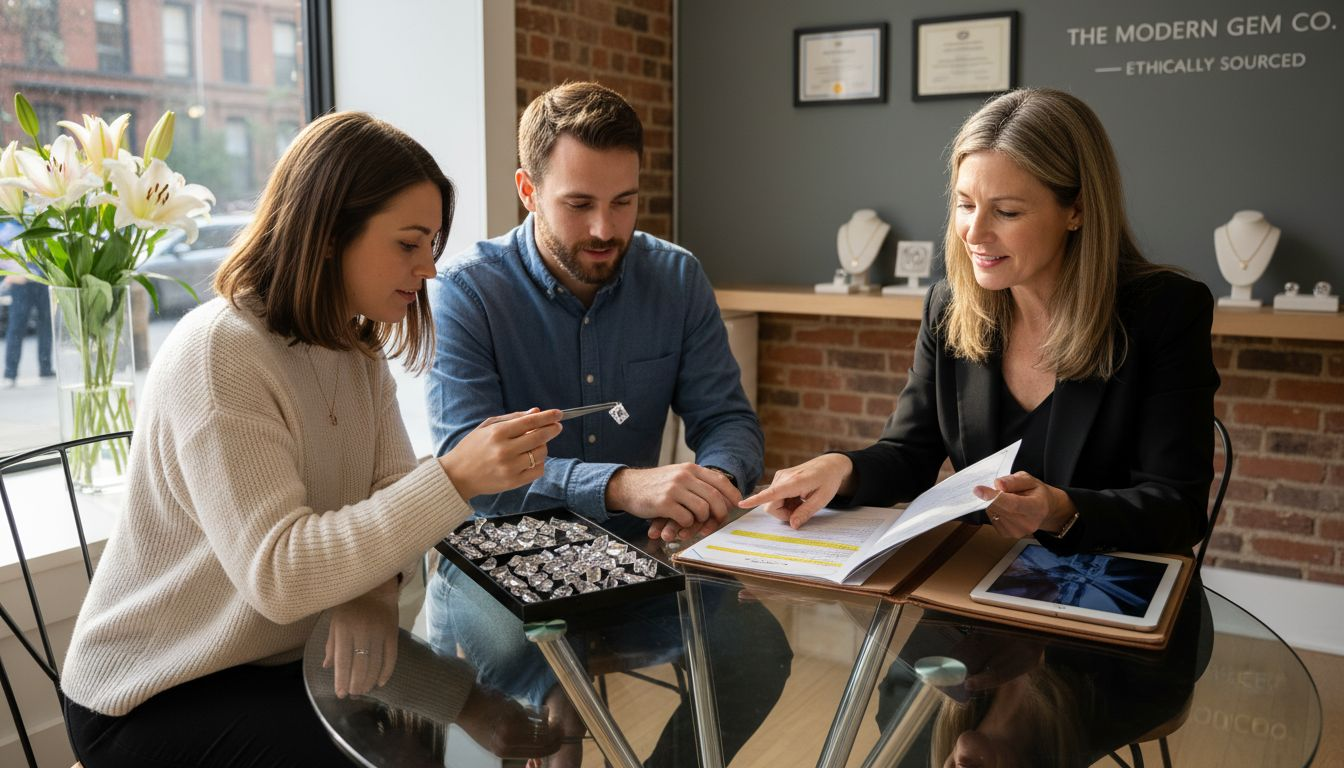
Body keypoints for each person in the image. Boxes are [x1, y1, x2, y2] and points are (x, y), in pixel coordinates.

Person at [59, 111, 564, 767]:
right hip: (152, 691)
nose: (429, 269)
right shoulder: (220, 352)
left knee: (424, 746)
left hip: (278, 662)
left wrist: (373, 592)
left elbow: (391, 500)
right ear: (328, 235)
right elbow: (281, 576)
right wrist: (455, 477)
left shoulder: (358, 354)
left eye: (432, 245)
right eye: (409, 244)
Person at [424, 81, 789, 767]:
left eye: (623, 202)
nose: (603, 229)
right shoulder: (465, 293)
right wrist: (620, 485)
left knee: (756, 650)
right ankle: (561, 717)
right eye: (579, 204)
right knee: (526, 654)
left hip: (635, 557)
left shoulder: (676, 279)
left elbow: (728, 419)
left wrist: (712, 482)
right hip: (496, 554)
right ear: (528, 191)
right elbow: (466, 473)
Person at [743, 87, 1220, 558]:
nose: (974, 232)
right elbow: (910, 454)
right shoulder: (948, 306)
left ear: (1076, 210)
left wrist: (1061, 511)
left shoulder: (1166, 311)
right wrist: (839, 468)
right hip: (973, 574)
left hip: (1107, 579)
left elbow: (1177, 508)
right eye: (965, 204)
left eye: (1006, 211)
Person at [2, 264, 55, 387]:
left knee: (46, 325)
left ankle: (46, 368)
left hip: (43, 280)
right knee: (16, 327)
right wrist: (10, 273)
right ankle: (10, 373)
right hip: (21, 281)